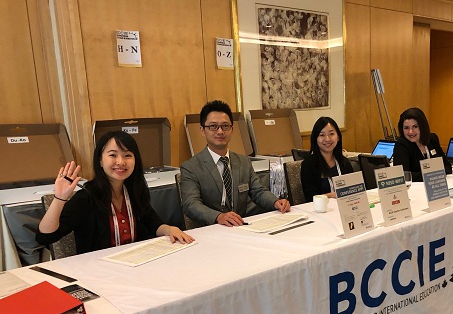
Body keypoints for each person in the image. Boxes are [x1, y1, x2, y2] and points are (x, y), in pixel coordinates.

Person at [36, 131, 194, 255]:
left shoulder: (133, 190)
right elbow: (45, 237)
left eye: (127, 155)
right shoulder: (87, 197)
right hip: (99, 269)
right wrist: (59, 198)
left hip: (136, 261)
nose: (121, 162)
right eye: (113, 155)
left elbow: (153, 223)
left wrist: (170, 229)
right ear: (100, 160)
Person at [180, 100, 290, 227]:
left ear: (232, 129)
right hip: (211, 229)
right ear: (202, 130)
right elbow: (191, 204)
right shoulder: (191, 167)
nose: (220, 131)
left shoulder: (243, 162)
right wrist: (218, 216)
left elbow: (258, 192)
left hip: (240, 227)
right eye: (213, 126)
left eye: (225, 126)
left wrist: (275, 202)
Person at [301, 116, 354, 201]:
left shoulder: (344, 162)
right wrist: (331, 195)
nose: (327, 139)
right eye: (322, 135)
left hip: (345, 206)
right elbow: (310, 198)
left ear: (338, 137)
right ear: (315, 139)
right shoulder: (308, 164)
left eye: (331, 134)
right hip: (322, 208)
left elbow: (354, 189)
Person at [393, 107, 452, 182]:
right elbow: (402, 176)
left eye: (415, 127)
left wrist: (434, 174)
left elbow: (447, 167)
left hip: (437, 185)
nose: (410, 132)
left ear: (422, 126)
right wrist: (434, 174)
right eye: (406, 128)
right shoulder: (401, 145)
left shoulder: (432, 139)